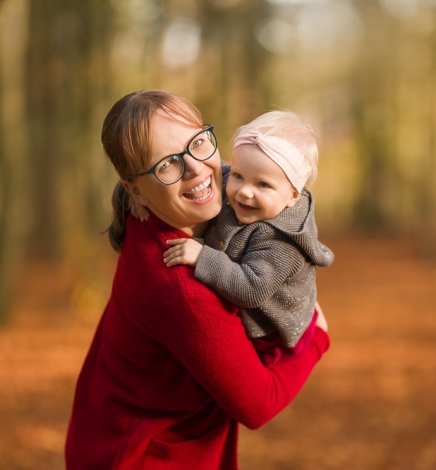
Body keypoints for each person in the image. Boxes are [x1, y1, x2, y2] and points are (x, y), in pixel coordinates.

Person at [65, 90, 330, 470]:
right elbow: (258, 404)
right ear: (135, 189)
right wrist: (318, 336)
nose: (198, 168)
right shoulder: (180, 286)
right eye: (168, 164)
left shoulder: (164, 205)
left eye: (197, 142)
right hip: (146, 457)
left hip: (103, 433)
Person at [161, 111, 334, 366]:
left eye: (263, 185)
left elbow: (252, 290)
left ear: (292, 196)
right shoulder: (238, 182)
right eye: (239, 176)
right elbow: (208, 172)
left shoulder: (281, 242)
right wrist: (143, 192)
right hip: (252, 304)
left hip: (271, 331)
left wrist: (203, 257)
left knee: (243, 368)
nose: (244, 191)